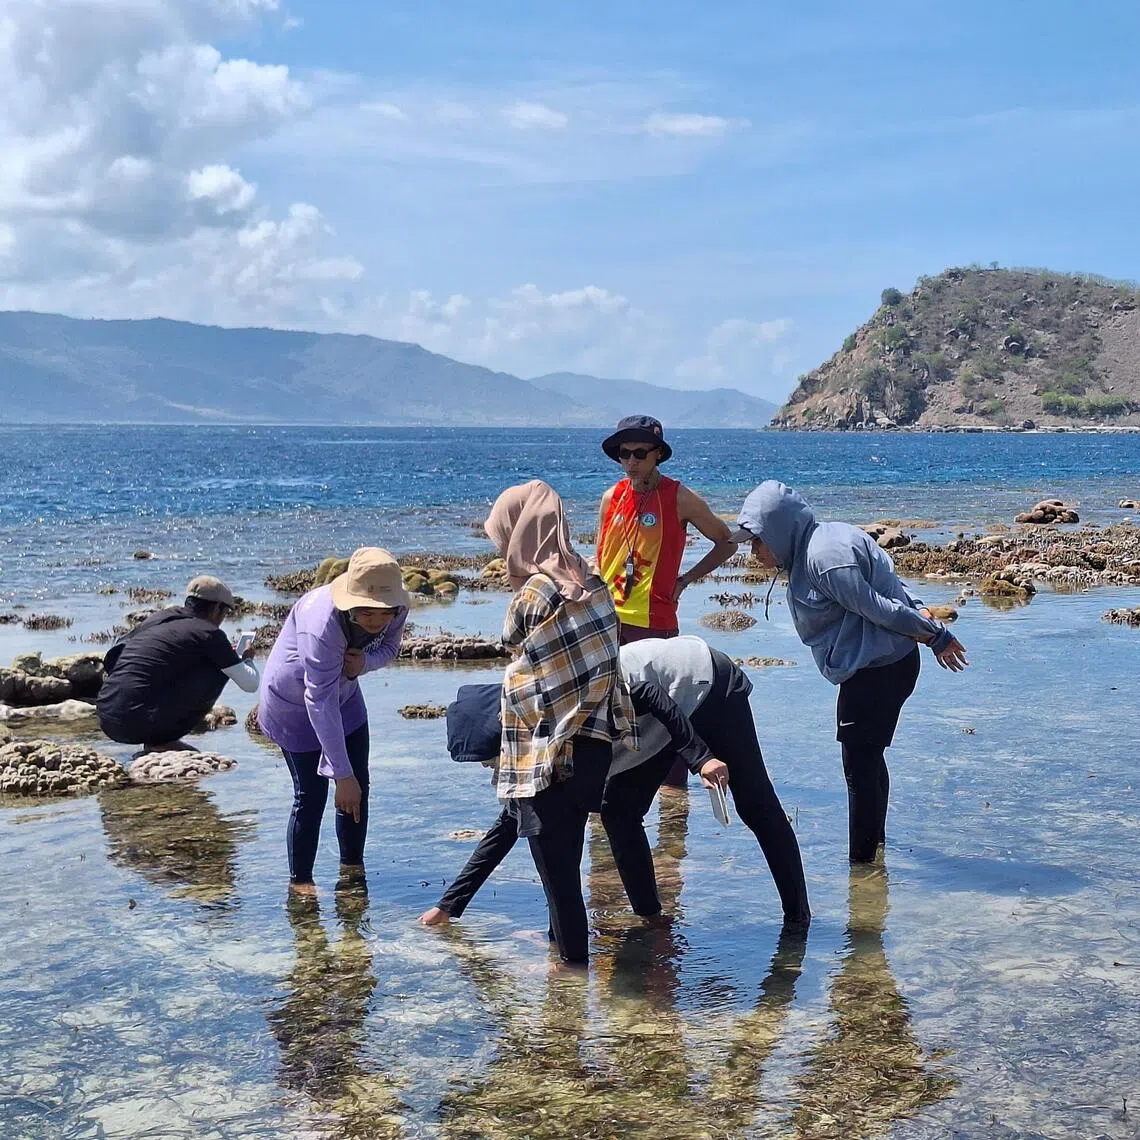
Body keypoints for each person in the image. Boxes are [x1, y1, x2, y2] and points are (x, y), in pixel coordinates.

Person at [420, 635, 811, 929]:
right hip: (655, 719)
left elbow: (650, 694)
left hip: (705, 684)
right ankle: (652, 919)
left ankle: (798, 918)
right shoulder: (534, 736)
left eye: (494, 760)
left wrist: (701, 758)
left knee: (756, 805)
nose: (496, 769)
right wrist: (450, 905)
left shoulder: (570, 701)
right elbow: (512, 819)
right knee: (618, 812)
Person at [729, 480, 968, 863]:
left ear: (778, 530)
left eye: (756, 540)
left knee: (858, 767)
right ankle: (876, 848)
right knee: (868, 759)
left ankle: (861, 871)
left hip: (880, 670)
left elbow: (881, 607)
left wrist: (935, 634)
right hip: (881, 664)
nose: (752, 551)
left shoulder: (824, 559)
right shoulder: (822, 540)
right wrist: (922, 610)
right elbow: (892, 584)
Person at [477, 478, 639, 965]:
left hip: (549, 758)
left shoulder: (533, 594)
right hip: (594, 751)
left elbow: (516, 650)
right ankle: (563, 969)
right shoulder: (596, 584)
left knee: (562, 882)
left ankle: (568, 1005)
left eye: (503, 535)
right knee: (567, 869)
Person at [596, 414, 738, 786]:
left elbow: (726, 541)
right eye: (624, 454)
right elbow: (601, 561)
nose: (631, 462)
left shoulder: (679, 498)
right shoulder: (611, 498)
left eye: (639, 453)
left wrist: (688, 577)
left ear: (657, 454)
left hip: (655, 623)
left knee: (667, 715)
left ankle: (675, 810)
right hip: (608, 624)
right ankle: (606, 794)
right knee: (606, 716)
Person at [258, 547, 409, 892]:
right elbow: (318, 699)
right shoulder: (321, 624)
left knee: (359, 786)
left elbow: (389, 649)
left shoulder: (399, 606)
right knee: (312, 794)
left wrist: (363, 665)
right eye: (366, 611)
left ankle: (352, 871)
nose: (375, 619)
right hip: (294, 702)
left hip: (344, 693)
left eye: (382, 612)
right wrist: (340, 773)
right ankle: (301, 885)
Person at [97, 575, 259, 751]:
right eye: (225, 612)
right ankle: (161, 741)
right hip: (137, 723)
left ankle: (155, 738)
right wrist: (247, 659)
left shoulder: (161, 617)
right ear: (217, 608)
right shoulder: (209, 634)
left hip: (106, 716)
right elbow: (250, 684)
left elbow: (113, 656)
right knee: (218, 669)